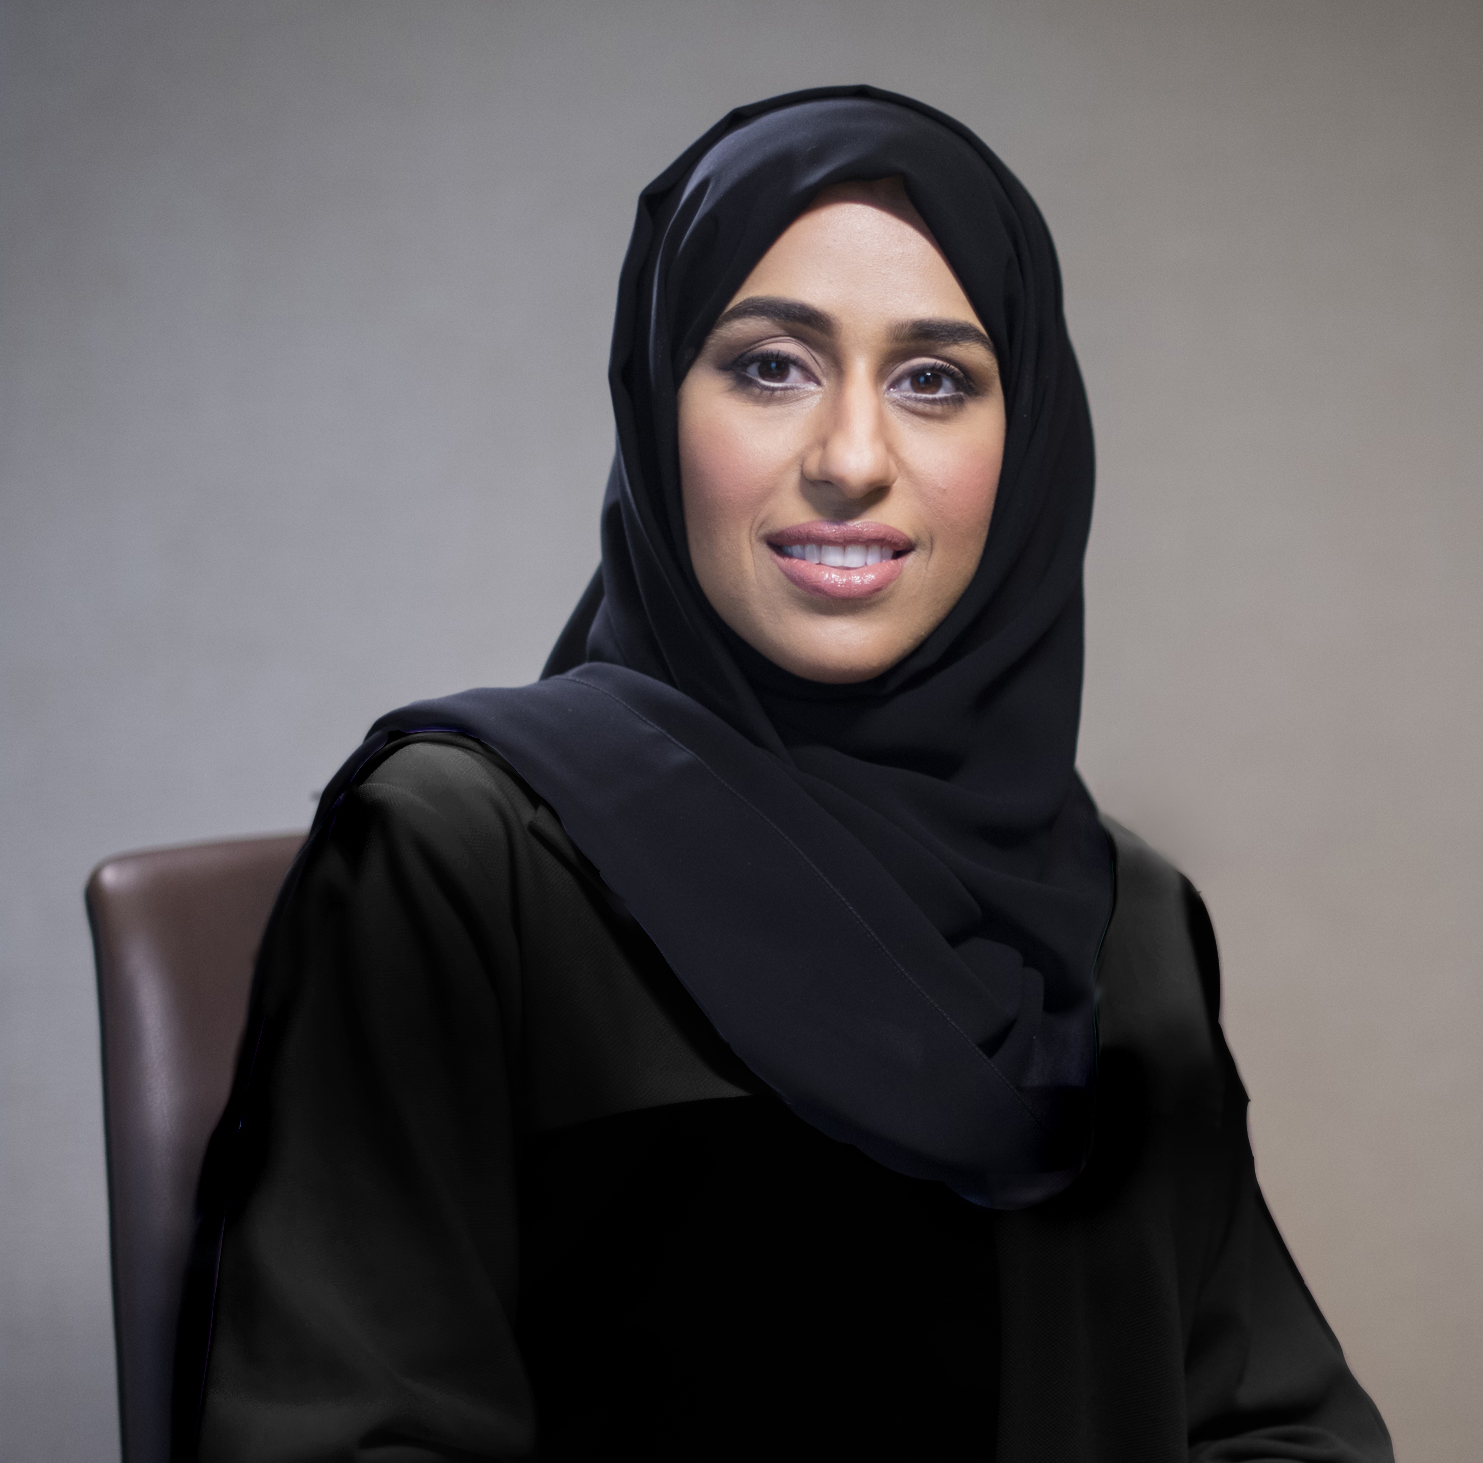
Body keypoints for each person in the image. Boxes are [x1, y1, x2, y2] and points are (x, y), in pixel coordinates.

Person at [176, 87, 1393, 1461]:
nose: (852, 460)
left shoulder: (1123, 918)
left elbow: (1272, 1425)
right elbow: (348, 1432)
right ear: (657, 408)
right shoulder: (460, 861)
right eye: (770, 366)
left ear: (1032, 442)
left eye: (934, 380)